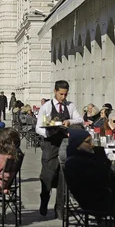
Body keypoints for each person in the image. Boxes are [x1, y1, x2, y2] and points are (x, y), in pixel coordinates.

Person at [34, 80, 83, 218]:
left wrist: (69, 122)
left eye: (65, 94)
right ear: (55, 92)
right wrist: (48, 132)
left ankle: (60, 208)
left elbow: (80, 120)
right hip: (50, 143)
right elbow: (38, 127)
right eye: (61, 94)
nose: (63, 97)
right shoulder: (47, 107)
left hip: (66, 143)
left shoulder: (70, 106)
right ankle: (44, 200)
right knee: (47, 175)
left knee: (64, 176)